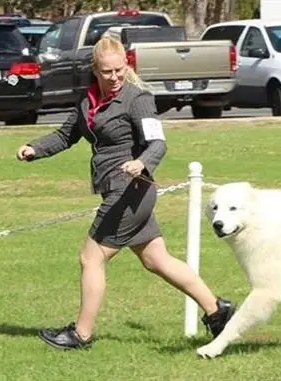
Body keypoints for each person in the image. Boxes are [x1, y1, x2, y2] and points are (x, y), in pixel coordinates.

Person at [16, 36, 235, 350]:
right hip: (119, 192)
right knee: (156, 260)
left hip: (130, 193)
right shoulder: (87, 101)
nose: (115, 77)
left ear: (126, 66)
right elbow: (65, 135)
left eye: (119, 70)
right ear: (96, 70)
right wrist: (34, 149)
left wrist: (141, 162)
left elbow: (158, 143)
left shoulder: (137, 98)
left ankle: (81, 334)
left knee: (90, 258)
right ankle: (218, 311)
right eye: (107, 72)